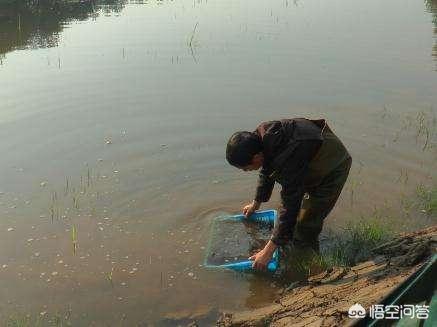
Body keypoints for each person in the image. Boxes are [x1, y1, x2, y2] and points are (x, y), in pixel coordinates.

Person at [226, 118, 352, 270]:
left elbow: (290, 204)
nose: (246, 171)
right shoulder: (258, 139)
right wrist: (256, 203)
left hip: (332, 166)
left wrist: (267, 252)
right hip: (308, 159)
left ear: (256, 157)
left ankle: (315, 269)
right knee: (292, 221)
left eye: (245, 168)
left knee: (306, 226)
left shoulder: (287, 155)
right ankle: (289, 242)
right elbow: (266, 171)